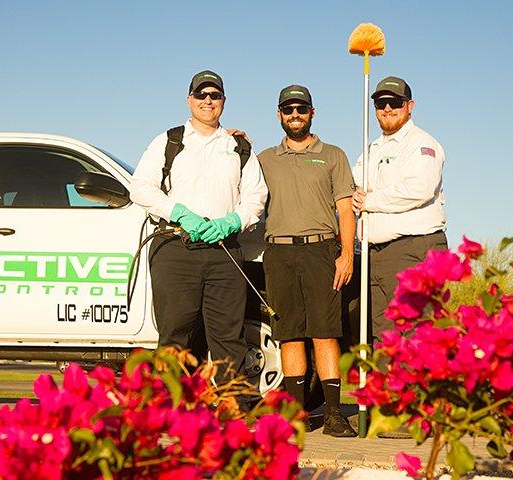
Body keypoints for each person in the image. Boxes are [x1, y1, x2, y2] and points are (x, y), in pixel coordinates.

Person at [129, 70, 268, 387]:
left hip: (225, 252)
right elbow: (140, 188)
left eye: (214, 95)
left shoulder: (239, 147)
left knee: (227, 337)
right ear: (189, 100)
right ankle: (175, 407)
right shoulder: (169, 141)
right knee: (176, 334)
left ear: (223, 101)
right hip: (176, 249)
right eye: (201, 95)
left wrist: (232, 221)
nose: (208, 101)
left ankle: (230, 406)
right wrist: (177, 212)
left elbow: (255, 197)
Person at [258, 84, 357, 437]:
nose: (294, 115)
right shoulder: (264, 159)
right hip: (280, 253)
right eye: (288, 109)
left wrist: (346, 254)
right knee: (289, 335)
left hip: (321, 252)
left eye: (301, 109)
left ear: (312, 112)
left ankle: (333, 413)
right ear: (279, 114)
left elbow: (346, 209)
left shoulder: (332, 155)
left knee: (325, 332)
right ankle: (294, 414)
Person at [352, 75, 447, 342]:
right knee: (385, 338)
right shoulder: (371, 149)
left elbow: (419, 189)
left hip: (414, 249)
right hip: (377, 255)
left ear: (410, 105)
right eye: (381, 103)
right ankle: (385, 386)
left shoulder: (421, 143)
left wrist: (370, 200)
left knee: (418, 334)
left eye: (395, 102)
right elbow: (354, 185)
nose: (387, 109)